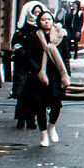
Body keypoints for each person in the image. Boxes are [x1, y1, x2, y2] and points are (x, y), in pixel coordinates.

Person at [31, 12, 72, 145]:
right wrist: (38, 71)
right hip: (40, 75)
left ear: (53, 21)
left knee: (57, 105)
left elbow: (66, 57)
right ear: (39, 22)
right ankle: (43, 135)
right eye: (43, 20)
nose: (46, 22)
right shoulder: (34, 37)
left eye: (49, 19)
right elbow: (29, 57)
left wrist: (66, 75)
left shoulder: (60, 37)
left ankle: (52, 127)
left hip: (56, 75)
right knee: (40, 106)